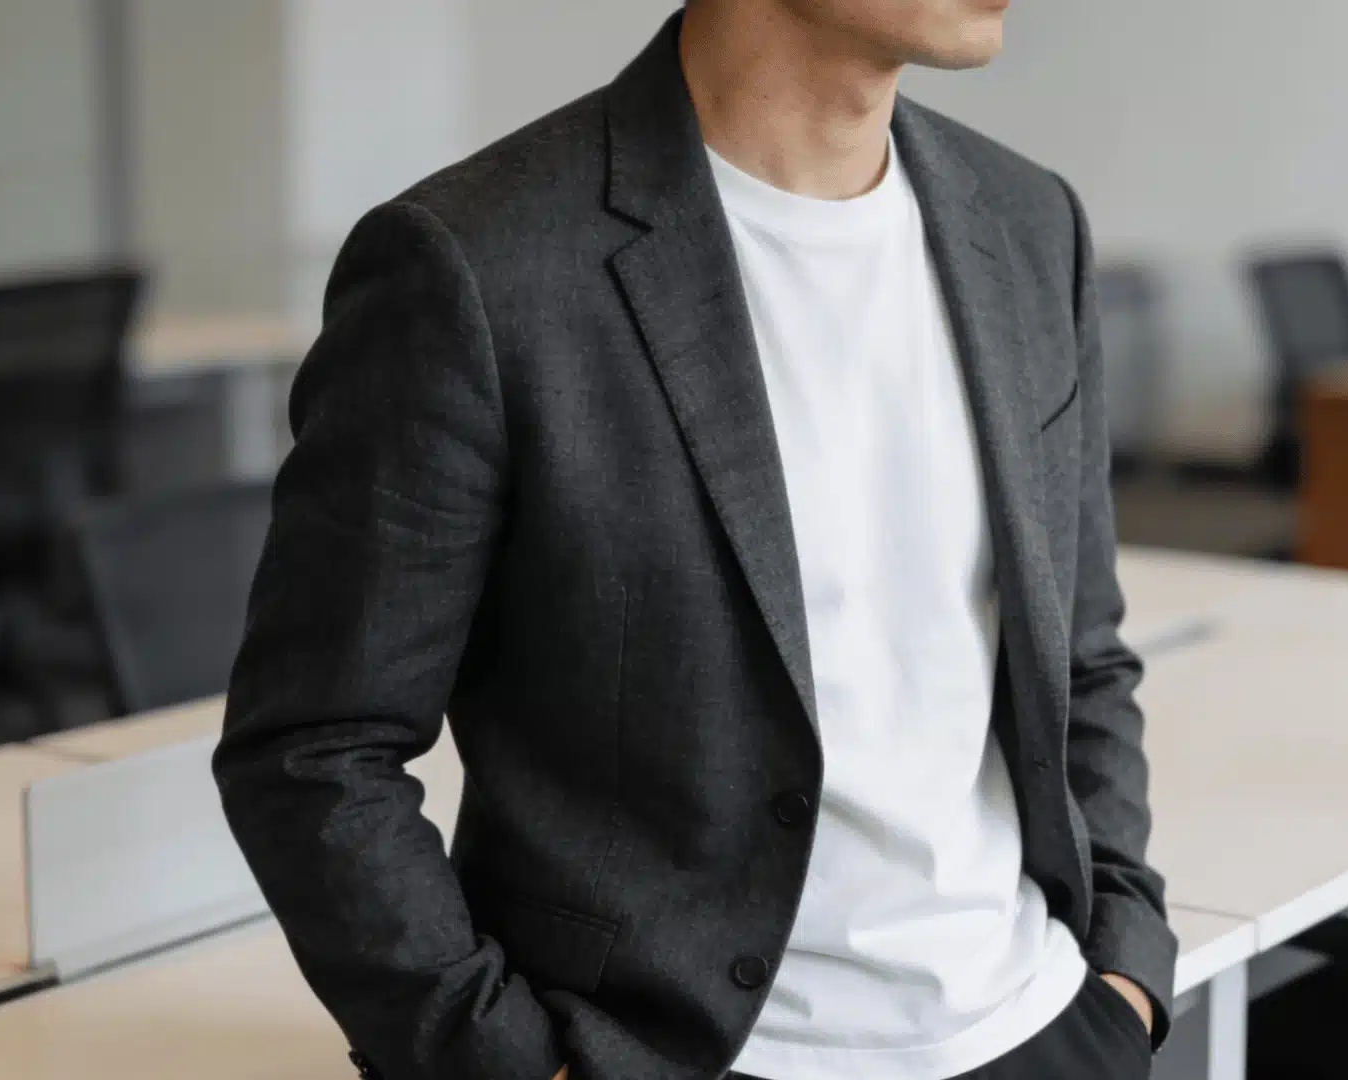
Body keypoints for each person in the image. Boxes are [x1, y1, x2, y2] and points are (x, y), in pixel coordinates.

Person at [214, 2, 1172, 1078]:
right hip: (673, 1051)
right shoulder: (478, 262)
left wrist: (1123, 968)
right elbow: (314, 748)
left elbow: (1080, 650)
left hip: (1037, 1027)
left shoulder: (1030, 224)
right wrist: (508, 1059)